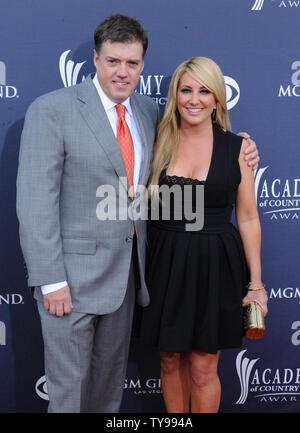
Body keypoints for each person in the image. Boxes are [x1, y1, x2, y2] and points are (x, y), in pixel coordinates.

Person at [16, 13, 259, 412]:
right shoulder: (52, 111)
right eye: (113, 61)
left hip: (130, 281)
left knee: (107, 393)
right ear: (95, 59)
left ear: (142, 65)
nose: (122, 72)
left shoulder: (152, 115)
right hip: (69, 285)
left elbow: (207, 141)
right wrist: (49, 280)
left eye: (132, 63)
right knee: (67, 393)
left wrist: (243, 145)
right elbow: (33, 202)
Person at [139, 57, 268, 413]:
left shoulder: (237, 149)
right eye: (186, 90)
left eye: (204, 91)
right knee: (168, 360)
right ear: (175, 95)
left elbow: (248, 218)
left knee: (201, 368)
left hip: (215, 265)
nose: (194, 99)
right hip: (165, 260)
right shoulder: (155, 142)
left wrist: (256, 285)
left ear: (217, 99)